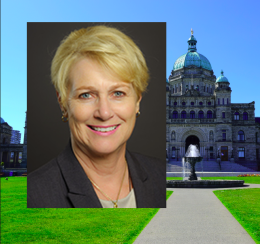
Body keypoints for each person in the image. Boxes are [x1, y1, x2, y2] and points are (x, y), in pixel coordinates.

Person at [27, 26, 166, 208]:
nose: (104, 113)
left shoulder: (162, 176)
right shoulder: (33, 195)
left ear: (137, 101)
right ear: (63, 103)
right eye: (86, 95)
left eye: (118, 93)